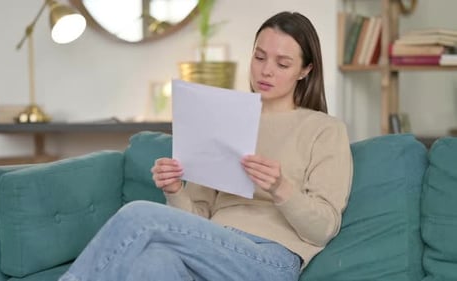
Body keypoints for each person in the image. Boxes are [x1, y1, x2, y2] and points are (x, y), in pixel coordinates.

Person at [59, 11, 352, 281]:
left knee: (139, 215)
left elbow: (324, 229)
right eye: (259, 57)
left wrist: (281, 188)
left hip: (268, 259)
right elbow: (197, 217)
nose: (266, 71)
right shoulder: (224, 117)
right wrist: (175, 192)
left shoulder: (325, 130)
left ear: (305, 70)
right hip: (209, 246)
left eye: (282, 63)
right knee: (154, 262)